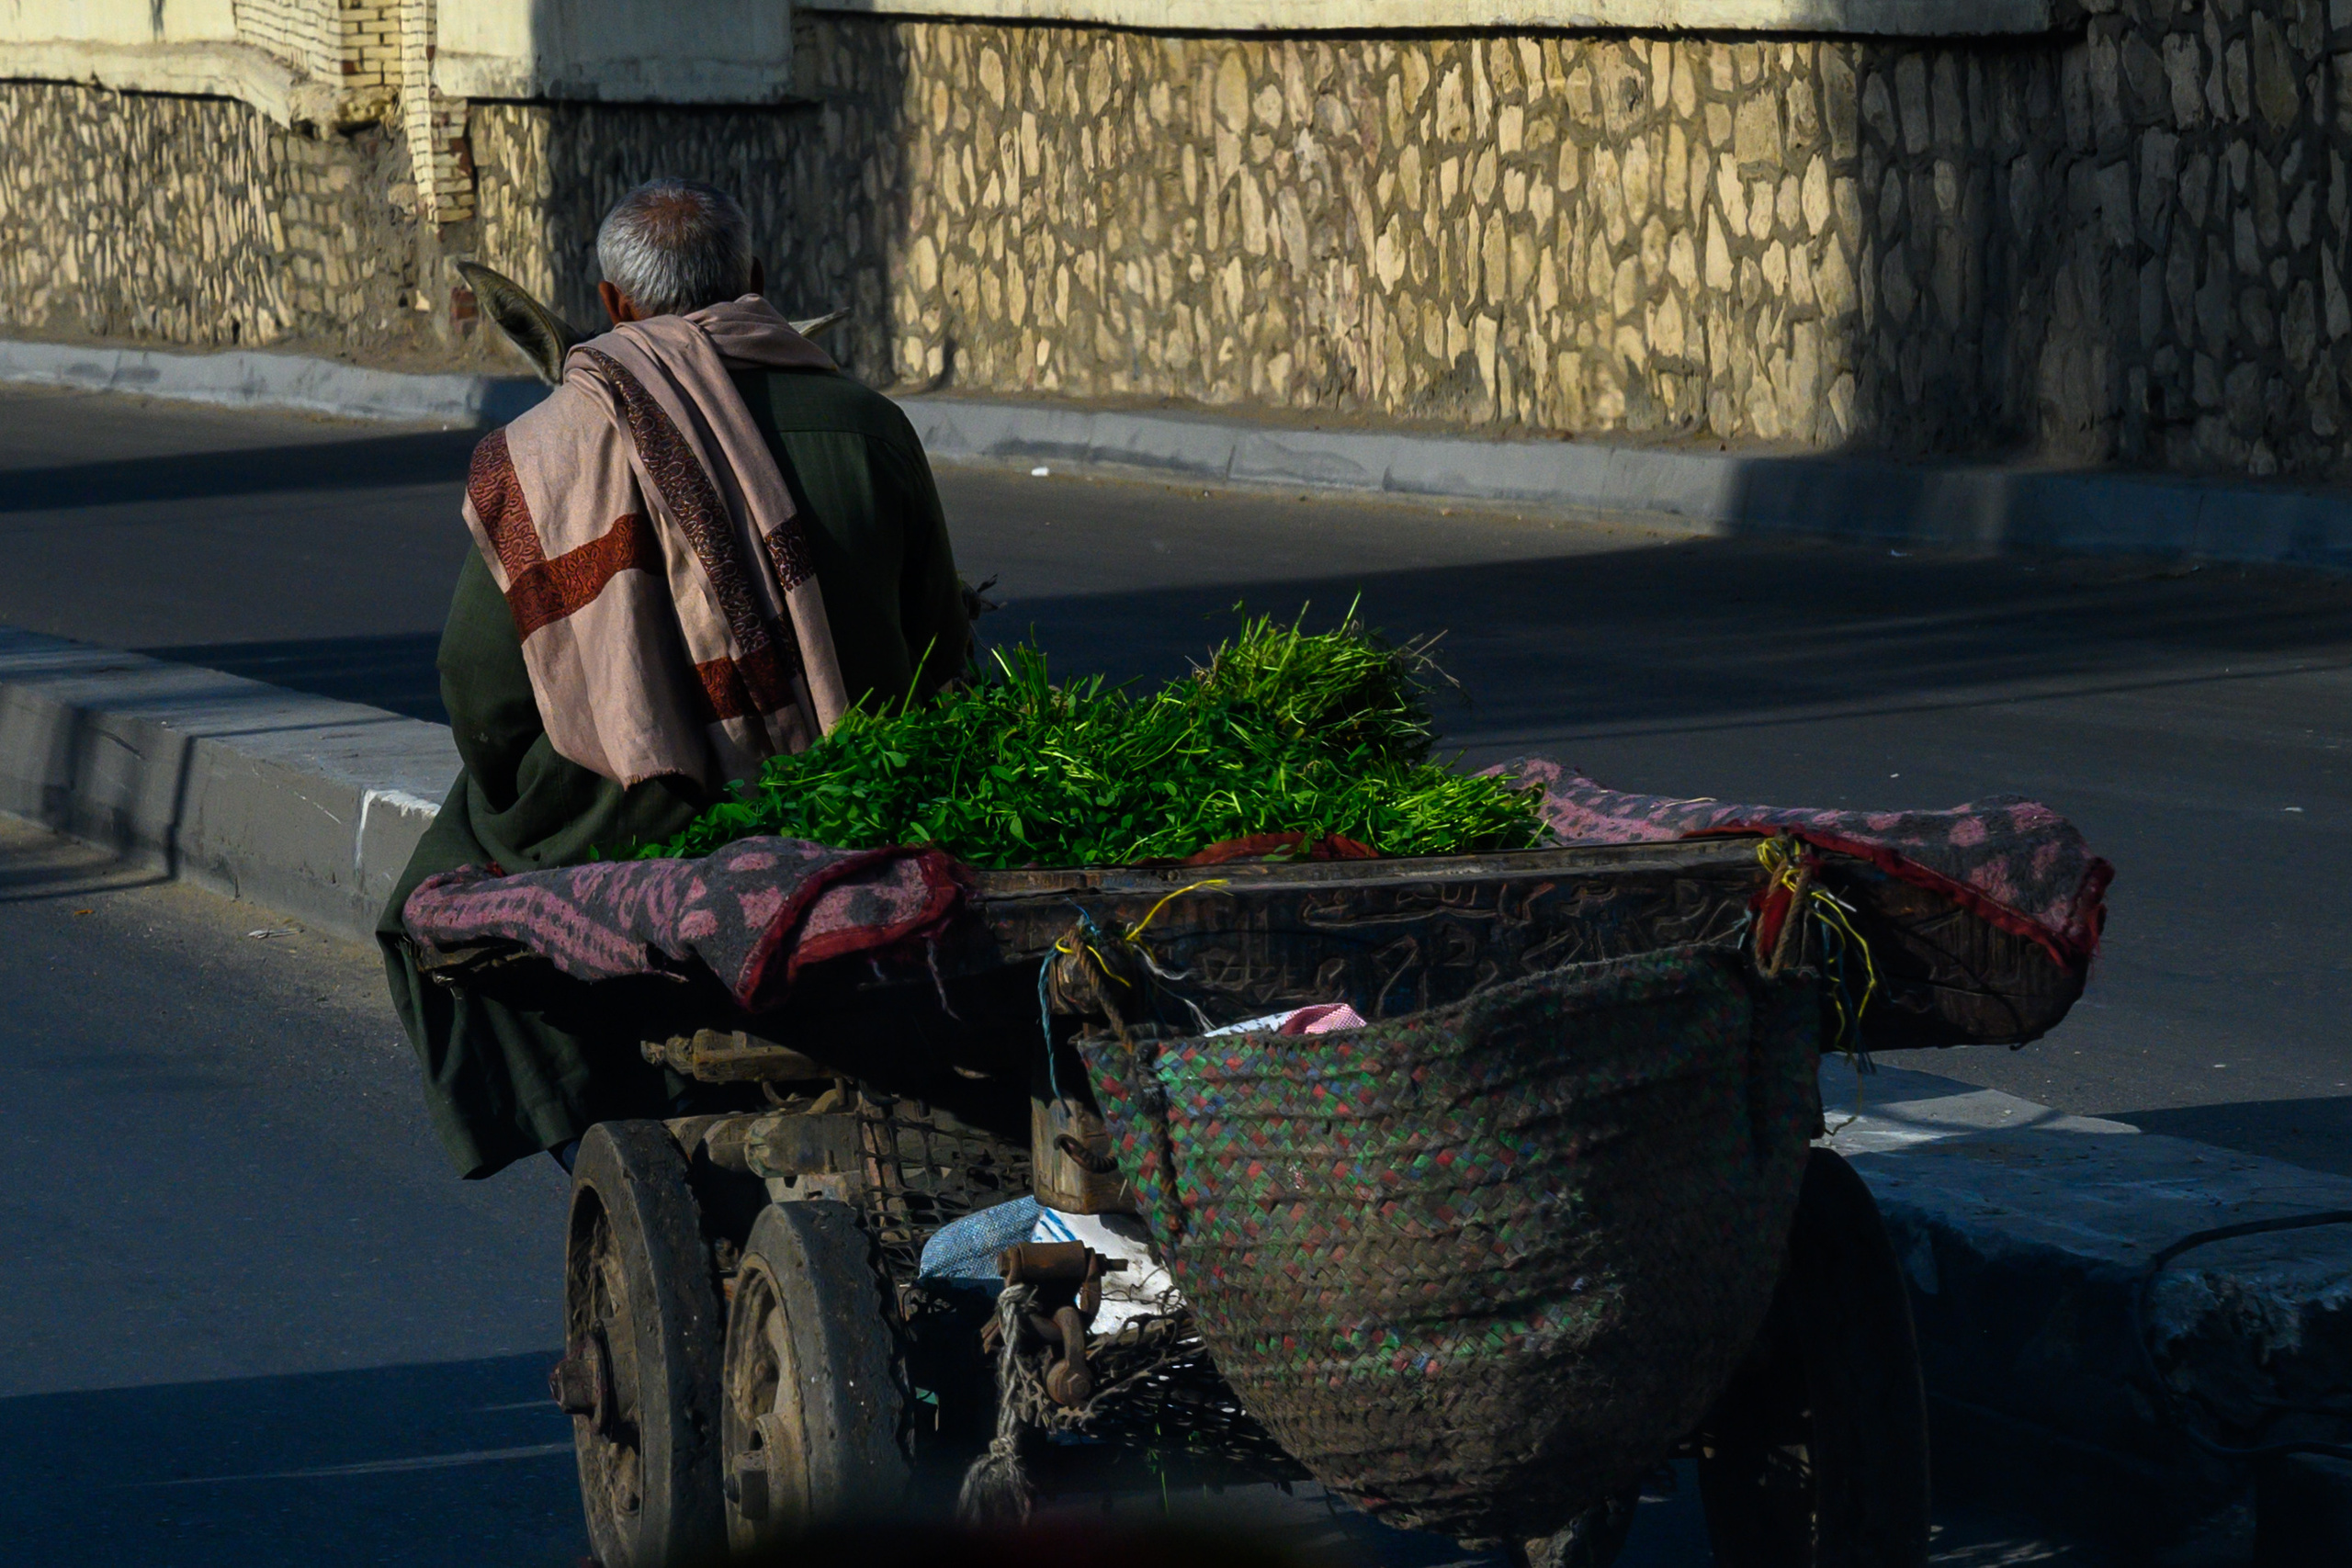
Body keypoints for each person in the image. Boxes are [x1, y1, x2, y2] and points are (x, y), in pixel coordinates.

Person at [379, 177, 970, 1179]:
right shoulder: (872, 425)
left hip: (638, 816)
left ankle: (577, 1104)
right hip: (849, 796)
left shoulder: (542, 448)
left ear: (611, 304)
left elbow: (479, 691)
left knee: (435, 878)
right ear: (757, 281)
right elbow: (939, 656)